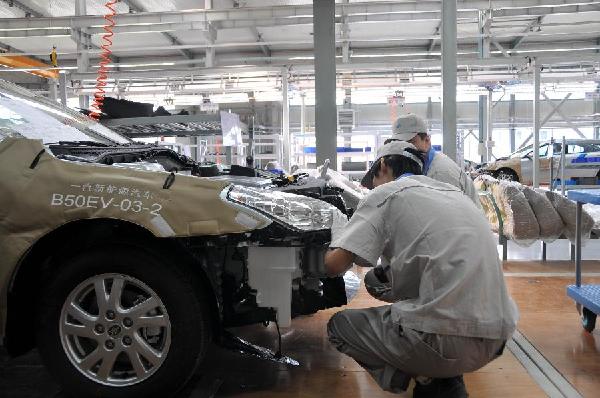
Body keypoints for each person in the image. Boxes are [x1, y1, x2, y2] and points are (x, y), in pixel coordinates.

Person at [326, 141, 518, 397]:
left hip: (444, 339)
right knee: (375, 280)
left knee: (339, 327)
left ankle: (429, 377)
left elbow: (333, 266)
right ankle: (440, 372)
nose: (372, 187)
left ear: (382, 165)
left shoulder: (385, 194)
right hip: (497, 334)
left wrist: (337, 229)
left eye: (373, 180)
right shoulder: (454, 194)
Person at [381, 113, 481, 207]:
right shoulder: (421, 168)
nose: (402, 148)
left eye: (410, 142)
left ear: (427, 141)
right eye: (398, 143)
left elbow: (447, 218)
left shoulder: (440, 174)